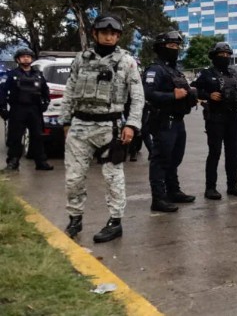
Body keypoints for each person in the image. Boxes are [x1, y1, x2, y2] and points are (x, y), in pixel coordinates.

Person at [60, 14, 144, 243]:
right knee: (74, 178)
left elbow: (137, 97)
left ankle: (115, 222)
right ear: (95, 34)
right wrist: (66, 121)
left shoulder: (127, 62)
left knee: (113, 177)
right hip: (79, 126)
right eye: (104, 32)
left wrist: (132, 125)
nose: (109, 37)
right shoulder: (81, 59)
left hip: (111, 127)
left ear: (118, 36)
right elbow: (69, 91)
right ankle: (74, 219)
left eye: (113, 33)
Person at [143, 31, 198, 213]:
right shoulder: (155, 69)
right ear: (161, 47)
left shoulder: (175, 71)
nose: (175, 49)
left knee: (175, 158)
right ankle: (158, 198)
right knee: (161, 160)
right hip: (163, 121)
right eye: (171, 46)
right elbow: (148, 93)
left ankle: (173, 191)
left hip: (178, 121)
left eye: (177, 46)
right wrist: (172, 95)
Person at [194, 42, 237, 199]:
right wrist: (208, 95)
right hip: (216, 118)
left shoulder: (233, 73)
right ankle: (210, 188)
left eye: (227, 55)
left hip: (233, 117)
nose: (225, 58)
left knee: (232, 153)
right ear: (214, 57)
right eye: (221, 55)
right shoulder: (207, 73)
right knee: (215, 152)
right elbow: (194, 89)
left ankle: (233, 185)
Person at [0, 47, 53, 171]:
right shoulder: (12, 75)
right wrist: (2, 108)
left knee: (37, 136)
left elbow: (45, 90)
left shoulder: (38, 75)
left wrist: (45, 102)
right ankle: (13, 163)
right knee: (15, 137)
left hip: (34, 110)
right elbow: (2, 91)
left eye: (28, 56)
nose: (26, 58)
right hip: (18, 109)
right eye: (23, 56)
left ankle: (41, 162)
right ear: (18, 59)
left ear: (32, 59)